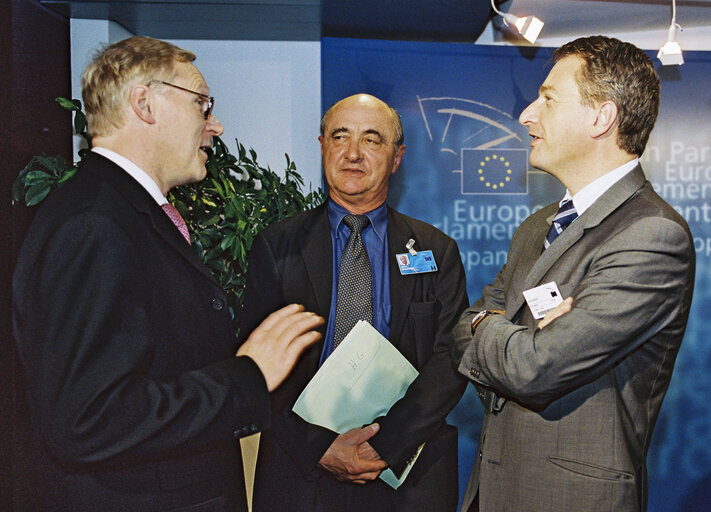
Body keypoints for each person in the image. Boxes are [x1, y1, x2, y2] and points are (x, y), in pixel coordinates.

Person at [12, 36, 324, 512]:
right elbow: (87, 419)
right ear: (145, 103)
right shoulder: (95, 225)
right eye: (202, 104)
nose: (215, 126)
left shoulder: (121, 212)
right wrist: (248, 375)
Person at [450, 36, 695, 512]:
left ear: (601, 118)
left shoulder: (651, 235)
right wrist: (495, 329)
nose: (526, 114)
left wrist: (489, 327)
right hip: (493, 491)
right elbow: (466, 324)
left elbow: (534, 369)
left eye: (548, 98)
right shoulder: (537, 226)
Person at [239, 93, 469, 511]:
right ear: (323, 145)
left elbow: (451, 357)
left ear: (397, 158)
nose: (353, 153)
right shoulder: (277, 246)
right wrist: (320, 447)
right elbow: (254, 361)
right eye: (340, 136)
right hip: (301, 467)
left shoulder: (437, 250)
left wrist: (384, 444)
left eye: (372, 140)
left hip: (407, 468)